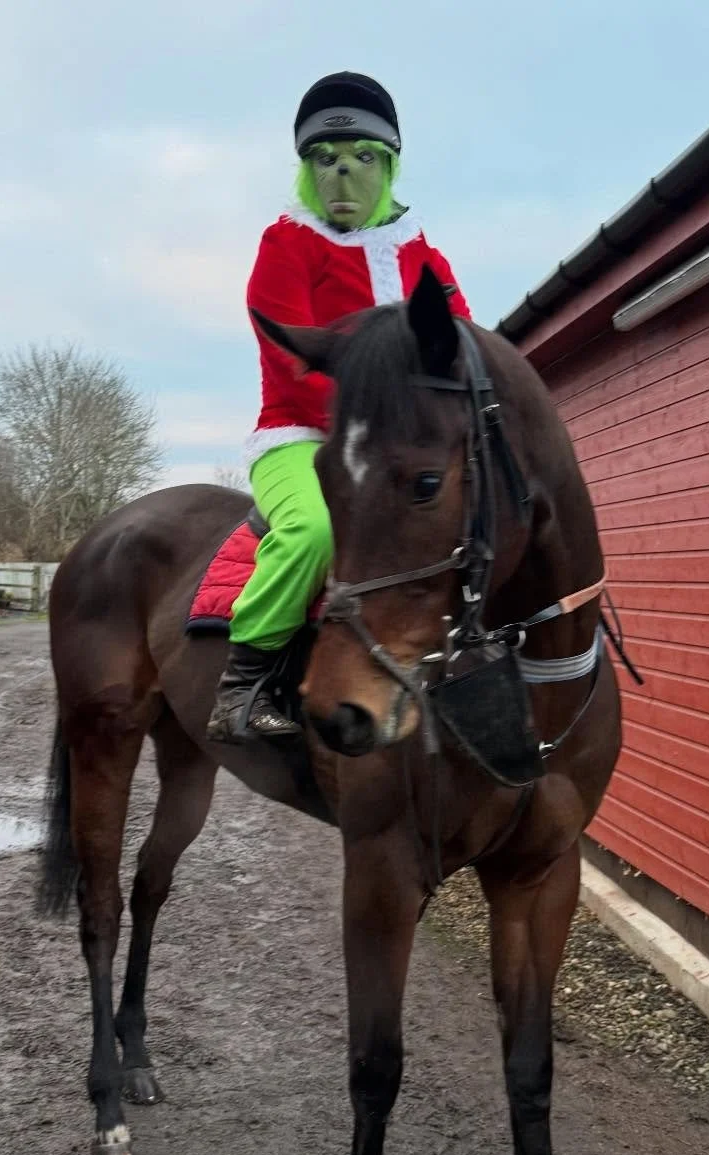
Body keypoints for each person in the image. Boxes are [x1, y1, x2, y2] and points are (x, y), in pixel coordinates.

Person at [206, 71, 471, 742]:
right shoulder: (285, 247)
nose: (342, 177)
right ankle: (244, 680)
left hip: (397, 444)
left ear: (387, 167)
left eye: (360, 160)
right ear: (306, 173)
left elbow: (461, 344)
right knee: (316, 532)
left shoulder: (424, 257)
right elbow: (291, 364)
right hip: (299, 435)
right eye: (324, 162)